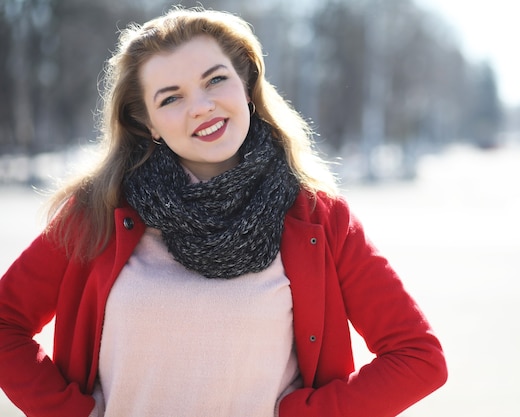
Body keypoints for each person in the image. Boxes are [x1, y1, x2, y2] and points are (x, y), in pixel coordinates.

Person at [0, 6, 447, 417]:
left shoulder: (319, 219)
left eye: (215, 80)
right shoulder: (98, 211)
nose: (201, 106)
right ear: (147, 124)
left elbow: (417, 357)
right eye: (170, 98)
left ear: (248, 86)